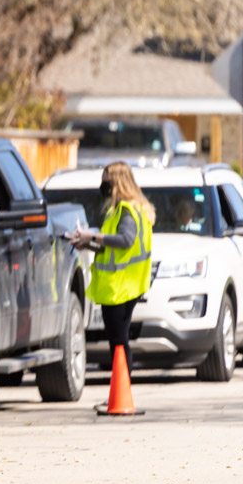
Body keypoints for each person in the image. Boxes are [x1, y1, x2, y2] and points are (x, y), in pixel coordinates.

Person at [68, 161, 154, 377]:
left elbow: (126, 240)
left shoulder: (126, 210)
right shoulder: (126, 210)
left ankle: (121, 395)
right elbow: (113, 249)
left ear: (118, 184)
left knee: (118, 341)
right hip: (124, 285)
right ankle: (120, 393)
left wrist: (92, 236)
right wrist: (87, 244)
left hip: (120, 287)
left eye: (106, 182)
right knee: (118, 340)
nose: (102, 186)